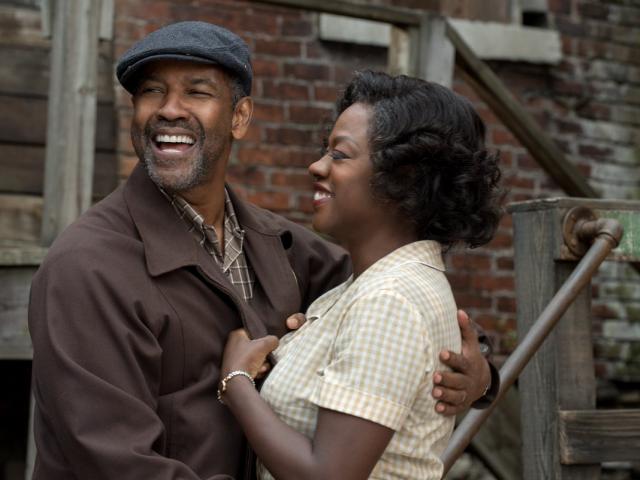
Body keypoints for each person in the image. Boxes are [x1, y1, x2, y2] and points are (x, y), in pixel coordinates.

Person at [28, 21, 495, 480]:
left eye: (197, 92)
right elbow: (117, 463)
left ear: (240, 117)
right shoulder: (88, 266)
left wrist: (480, 376)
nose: (169, 109)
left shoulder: (282, 247)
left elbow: (398, 312)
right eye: (151, 92)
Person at [218, 71, 503, 480]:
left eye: (340, 154)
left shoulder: (389, 299)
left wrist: (237, 381)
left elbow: (330, 475)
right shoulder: (365, 286)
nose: (316, 166)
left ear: (402, 177)